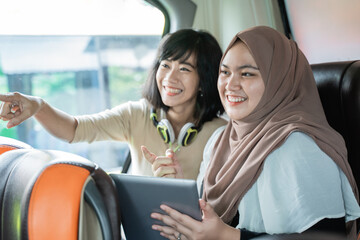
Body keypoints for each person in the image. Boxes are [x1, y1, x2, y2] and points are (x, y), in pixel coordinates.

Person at [149, 26, 360, 239]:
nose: (230, 84)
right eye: (225, 72)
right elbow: (209, 225)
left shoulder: (300, 147)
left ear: (278, 81)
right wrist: (179, 193)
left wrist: (227, 236)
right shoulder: (220, 141)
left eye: (247, 73)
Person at [0, 29, 227, 180]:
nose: (170, 77)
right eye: (165, 65)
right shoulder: (136, 114)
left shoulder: (221, 134)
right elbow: (74, 129)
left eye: (184, 69)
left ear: (203, 80)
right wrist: (39, 107)